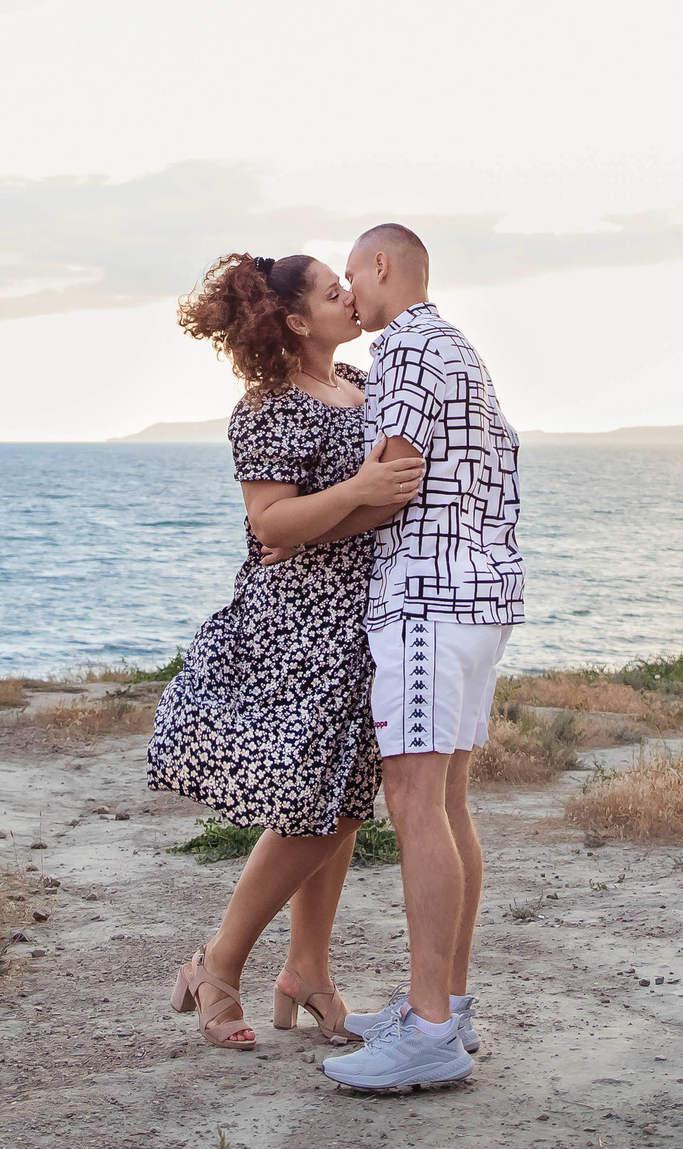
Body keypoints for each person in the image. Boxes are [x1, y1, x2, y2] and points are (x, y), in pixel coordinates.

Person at [146, 251, 425, 1050]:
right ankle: (219, 963)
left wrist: (339, 514)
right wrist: (356, 498)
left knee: (340, 802)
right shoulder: (267, 408)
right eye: (335, 292)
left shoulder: (368, 388)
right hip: (299, 623)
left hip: (361, 614)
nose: (352, 297)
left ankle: (308, 970)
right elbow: (271, 525)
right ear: (298, 320)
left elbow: (360, 509)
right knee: (313, 803)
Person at [320, 222, 522, 1094]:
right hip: (482, 598)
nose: (349, 297)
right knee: (447, 801)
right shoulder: (459, 348)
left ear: (380, 266)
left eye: (351, 277)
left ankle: (430, 1028)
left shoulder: (404, 346)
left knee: (412, 800)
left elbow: (394, 476)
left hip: (427, 600)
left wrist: (307, 532)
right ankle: (447, 1003)